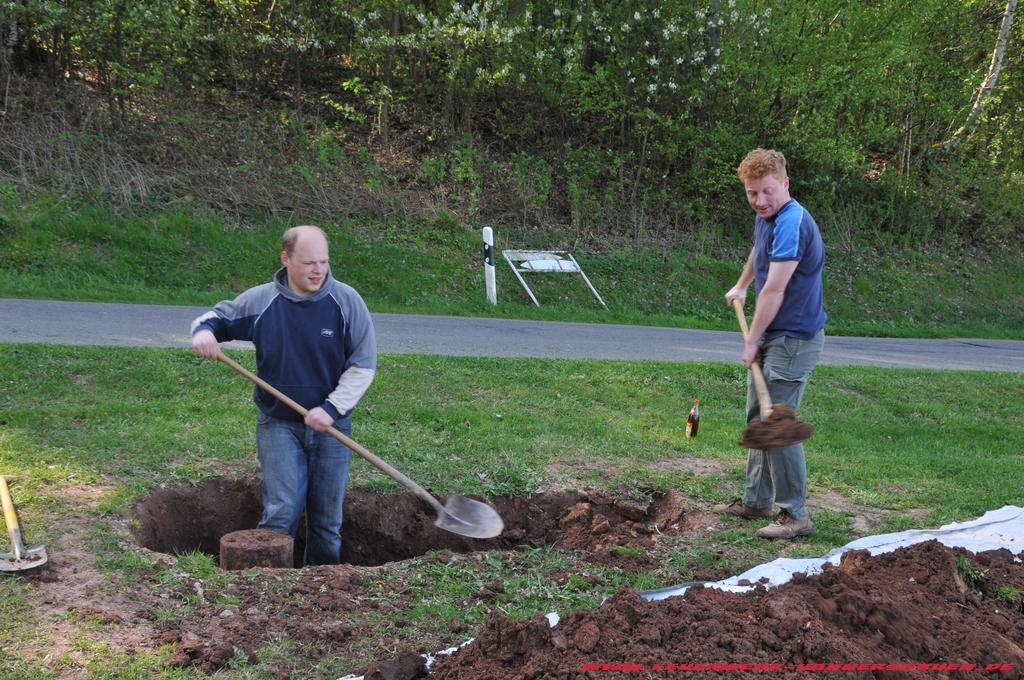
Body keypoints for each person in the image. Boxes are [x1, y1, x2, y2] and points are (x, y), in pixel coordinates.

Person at [191, 225, 377, 565]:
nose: (318, 270)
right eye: (309, 263)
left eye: (323, 261)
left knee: (327, 521)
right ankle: (268, 589)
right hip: (278, 424)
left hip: (332, 428)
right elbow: (216, 317)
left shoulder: (346, 302)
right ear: (286, 258)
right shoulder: (263, 301)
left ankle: (325, 590)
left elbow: (363, 366)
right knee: (282, 512)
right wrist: (204, 332)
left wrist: (331, 408)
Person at [713, 148, 826, 540]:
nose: (759, 201)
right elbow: (759, 251)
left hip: (792, 339)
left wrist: (753, 340)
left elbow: (775, 290)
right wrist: (742, 285)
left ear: (785, 184)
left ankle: (795, 514)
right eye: (751, 193)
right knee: (758, 422)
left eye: (767, 192)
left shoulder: (793, 221)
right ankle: (755, 501)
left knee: (778, 427)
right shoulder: (769, 217)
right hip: (773, 334)